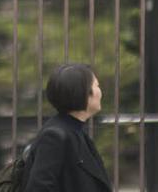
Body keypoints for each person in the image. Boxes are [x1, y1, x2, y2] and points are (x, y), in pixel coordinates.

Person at [24, 63, 111, 192]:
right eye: (97, 86)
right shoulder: (55, 136)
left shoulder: (75, 130)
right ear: (84, 92)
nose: (100, 92)